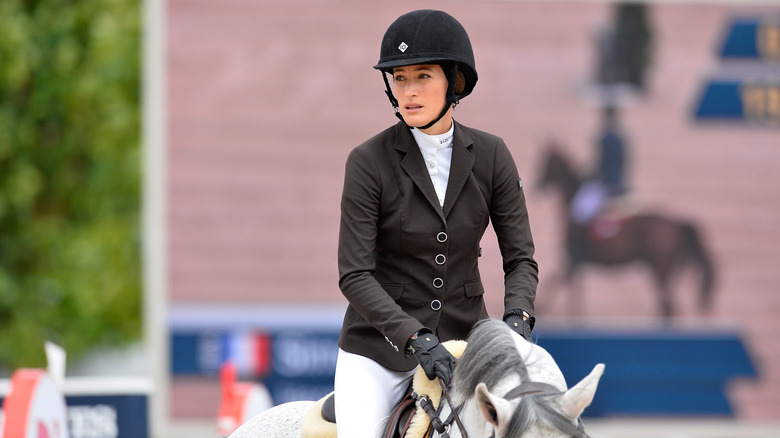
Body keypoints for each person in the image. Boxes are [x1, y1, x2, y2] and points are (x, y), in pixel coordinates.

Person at [334, 9, 539, 438]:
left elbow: (520, 258)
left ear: (454, 81)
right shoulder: (367, 162)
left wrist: (517, 323)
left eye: (422, 76)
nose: (408, 91)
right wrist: (416, 339)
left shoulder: (492, 155)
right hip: (380, 351)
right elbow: (355, 275)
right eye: (400, 78)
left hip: (470, 341)